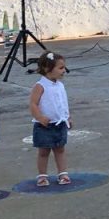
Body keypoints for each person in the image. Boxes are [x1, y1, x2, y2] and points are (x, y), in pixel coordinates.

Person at [29, 52, 72, 186]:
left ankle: (63, 173)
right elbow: (33, 103)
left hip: (59, 123)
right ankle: (42, 176)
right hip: (44, 125)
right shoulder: (40, 86)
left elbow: (63, 102)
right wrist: (39, 117)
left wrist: (67, 116)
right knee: (43, 151)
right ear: (48, 69)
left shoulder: (60, 85)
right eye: (60, 68)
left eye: (64, 67)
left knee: (60, 149)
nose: (64, 70)